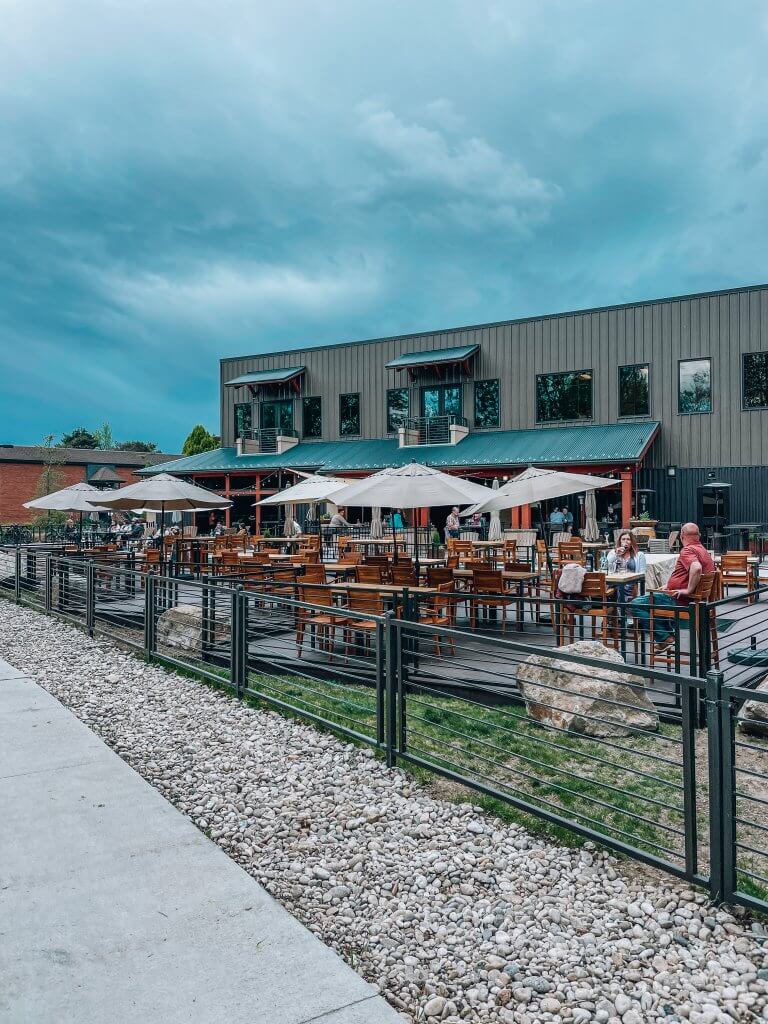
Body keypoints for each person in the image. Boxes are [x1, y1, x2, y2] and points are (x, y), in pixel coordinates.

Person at [630, 522, 715, 650]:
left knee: (636, 604)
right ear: (699, 536)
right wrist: (669, 585)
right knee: (657, 601)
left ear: (682, 536)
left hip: (681, 601)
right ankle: (667, 636)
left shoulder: (688, 550)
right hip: (696, 601)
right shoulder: (703, 551)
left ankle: (665, 638)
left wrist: (688, 590)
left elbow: (696, 568)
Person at [604, 530, 647, 603]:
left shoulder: (639, 555)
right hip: (615, 581)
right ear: (620, 541)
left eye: (628, 539)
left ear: (632, 542)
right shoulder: (613, 553)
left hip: (631, 582)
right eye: (623, 539)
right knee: (616, 587)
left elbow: (642, 574)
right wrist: (616, 554)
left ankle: (622, 608)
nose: (625, 541)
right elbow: (605, 566)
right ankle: (621, 608)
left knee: (624, 587)